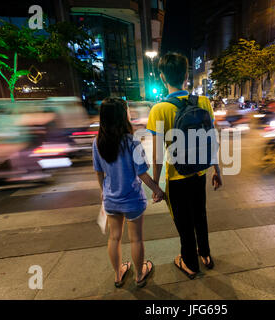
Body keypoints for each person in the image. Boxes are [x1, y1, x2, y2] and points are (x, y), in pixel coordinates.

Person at [147, 52, 223, 280]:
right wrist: (217, 171)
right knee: (200, 215)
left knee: (183, 222)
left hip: (177, 177)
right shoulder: (204, 102)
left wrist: (155, 188)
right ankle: (206, 255)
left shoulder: (159, 110)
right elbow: (212, 140)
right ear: (186, 76)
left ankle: (189, 263)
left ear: (162, 77)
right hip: (199, 172)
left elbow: (158, 156)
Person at [93, 97, 165, 288]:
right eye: (127, 111)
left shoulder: (97, 142)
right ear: (122, 116)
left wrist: (104, 193)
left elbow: (99, 173)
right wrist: (158, 190)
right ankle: (140, 275)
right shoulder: (132, 142)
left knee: (114, 237)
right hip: (132, 199)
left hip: (111, 200)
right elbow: (142, 174)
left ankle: (118, 275)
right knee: (136, 239)